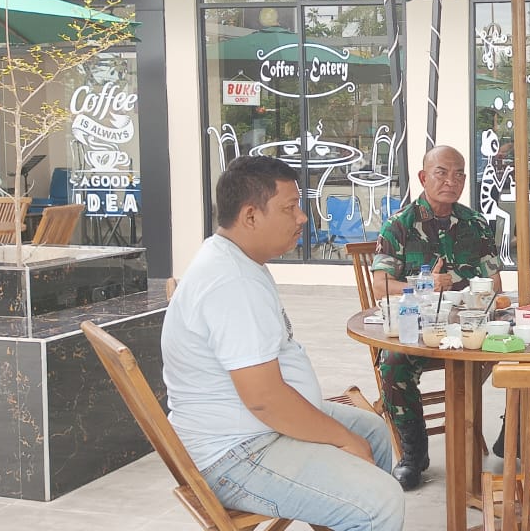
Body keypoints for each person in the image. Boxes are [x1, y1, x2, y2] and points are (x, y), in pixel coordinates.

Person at [162, 156, 403, 531]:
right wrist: (343, 440)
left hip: (251, 428)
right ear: (250, 216)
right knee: (380, 501)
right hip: (237, 452)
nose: (302, 217)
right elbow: (265, 399)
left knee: (372, 432)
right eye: (290, 207)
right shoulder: (232, 282)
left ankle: (347, 511)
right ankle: (362, 512)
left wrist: (349, 438)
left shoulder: (234, 258)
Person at [373, 145, 521, 490]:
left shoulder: (475, 223)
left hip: (472, 329)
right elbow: (381, 286)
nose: (450, 181)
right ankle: (414, 453)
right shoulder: (399, 225)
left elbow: (495, 282)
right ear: (423, 177)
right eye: (441, 173)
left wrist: (469, 289)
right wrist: (423, 284)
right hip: (421, 332)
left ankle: (514, 434)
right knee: (392, 363)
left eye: (458, 175)